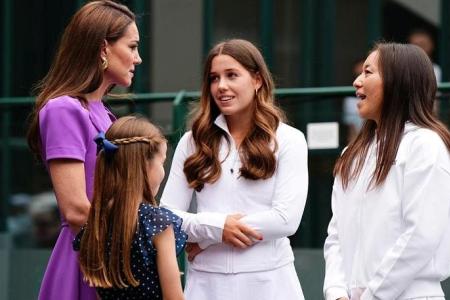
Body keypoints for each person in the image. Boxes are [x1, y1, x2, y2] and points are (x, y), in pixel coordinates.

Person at [160, 39, 308, 300]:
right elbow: (167, 216)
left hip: (270, 283)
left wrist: (207, 237)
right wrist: (216, 227)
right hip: (206, 285)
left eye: (232, 75)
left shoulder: (289, 139)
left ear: (257, 80)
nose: (221, 86)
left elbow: (286, 219)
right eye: (214, 78)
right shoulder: (192, 141)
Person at [26, 1, 142, 299]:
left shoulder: (105, 113)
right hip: (87, 261)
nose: (137, 58)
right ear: (104, 48)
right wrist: (143, 239)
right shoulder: (63, 109)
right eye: (132, 47)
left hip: (109, 257)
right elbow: (76, 210)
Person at [323, 42, 450, 300]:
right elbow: (336, 235)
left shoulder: (424, 145)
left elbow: (420, 236)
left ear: (398, 82)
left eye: (368, 73)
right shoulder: (352, 154)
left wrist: (373, 294)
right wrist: (336, 292)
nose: (357, 81)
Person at [73, 116, 187, 299]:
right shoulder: (157, 223)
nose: (162, 171)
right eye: (162, 162)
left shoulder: (93, 225)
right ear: (144, 165)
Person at [342, 59, 364, 144]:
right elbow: (352, 132)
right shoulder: (351, 101)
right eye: (358, 75)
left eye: (367, 73)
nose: (359, 82)